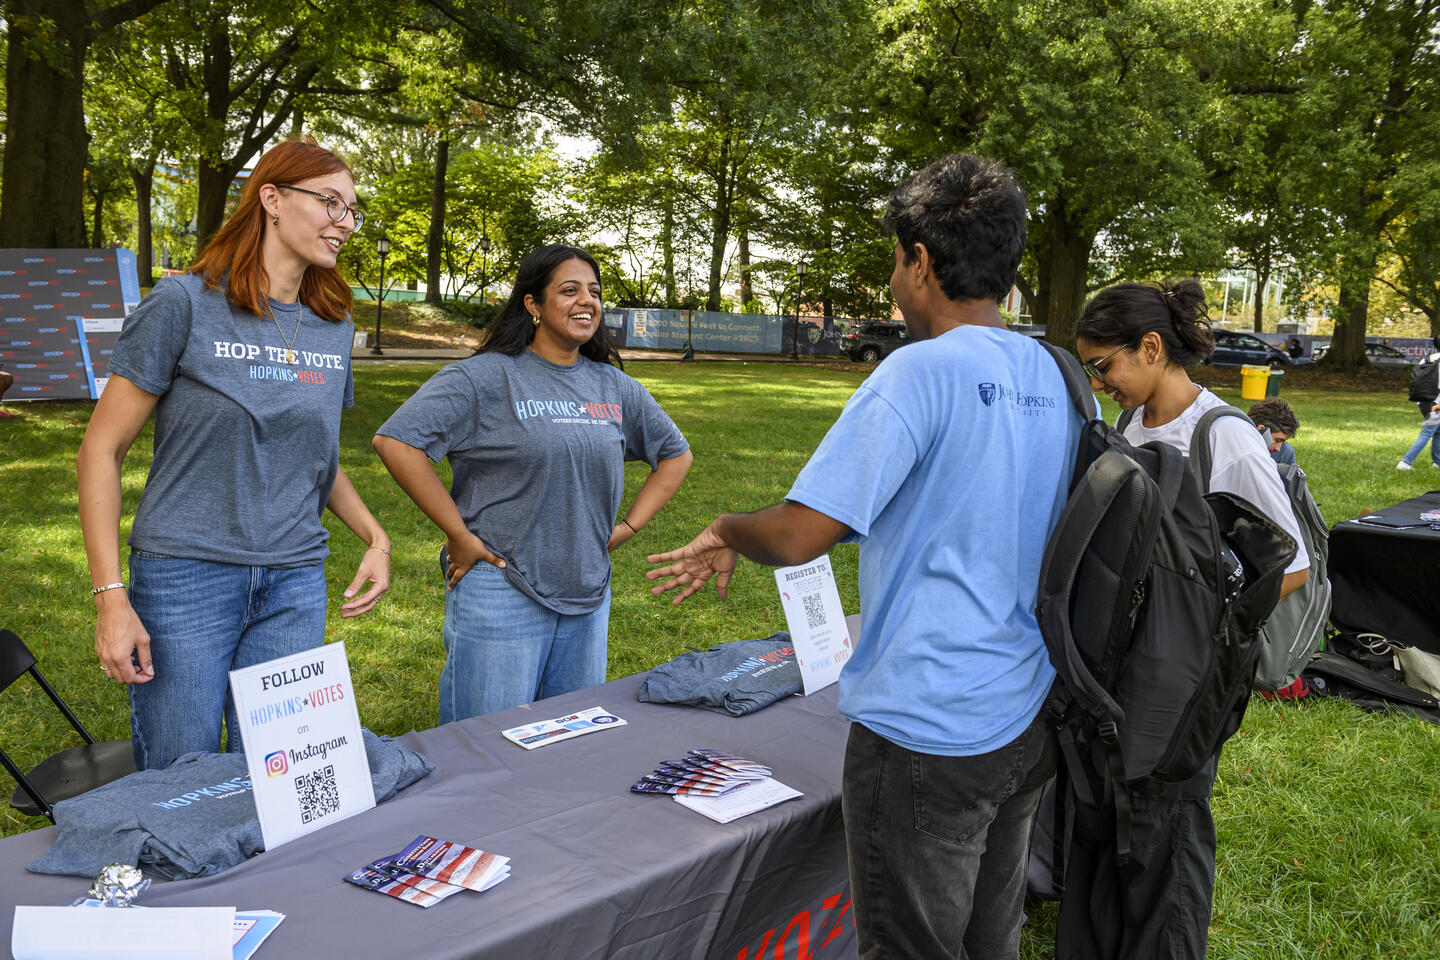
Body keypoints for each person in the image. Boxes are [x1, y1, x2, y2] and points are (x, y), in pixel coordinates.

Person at [646, 153, 1079, 960]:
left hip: (929, 729)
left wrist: (725, 527)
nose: (892, 282)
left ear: (919, 261)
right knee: (994, 936)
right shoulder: (1055, 372)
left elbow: (799, 534)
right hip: (1029, 706)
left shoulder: (918, 370)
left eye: (893, 261)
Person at [76, 139, 390, 771]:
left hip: (294, 579)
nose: (344, 223)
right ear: (271, 199)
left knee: (286, 774)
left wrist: (374, 537)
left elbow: (314, 454)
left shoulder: (334, 326)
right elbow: (100, 450)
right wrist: (111, 597)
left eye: (352, 211)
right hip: (188, 574)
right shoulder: (184, 303)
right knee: (180, 774)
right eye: (330, 202)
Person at [1064, 279, 1311, 960]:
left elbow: (1290, 565)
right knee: (1113, 817)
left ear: (1150, 348)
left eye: (1104, 365)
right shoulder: (1126, 426)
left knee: (1167, 834)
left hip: (1185, 681)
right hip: (1119, 670)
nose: (1100, 381)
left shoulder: (1222, 435)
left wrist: (1201, 620)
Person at [373, 244, 692, 724]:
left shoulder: (613, 386)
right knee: (485, 750)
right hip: (502, 586)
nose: (587, 301)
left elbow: (675, 455)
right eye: (569, 290)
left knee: (571, 748)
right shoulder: (484, 378)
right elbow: (397, 442)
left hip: (587, 591)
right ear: (533, 304)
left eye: (594, 291)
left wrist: (626, 527)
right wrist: (460, 535)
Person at [1248, 396, 1300, 465]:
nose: (1278, 449)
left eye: (1283, 442)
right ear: (1261, 430)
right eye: (1278, 440)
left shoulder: (1285, 453)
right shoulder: (1234, 446)